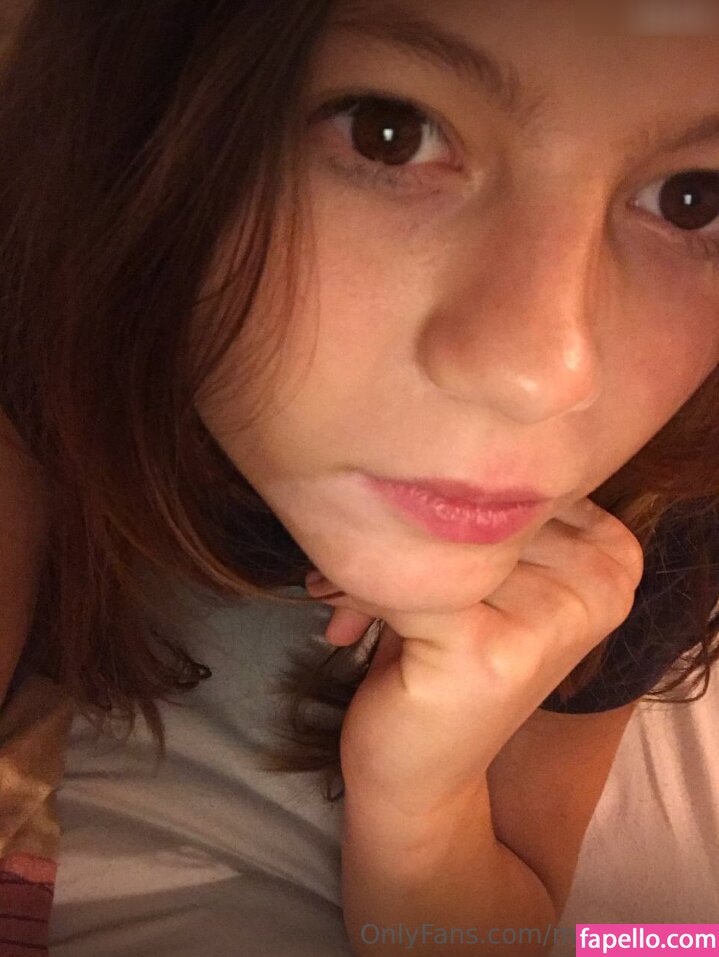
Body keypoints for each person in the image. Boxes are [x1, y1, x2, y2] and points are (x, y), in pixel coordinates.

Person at [1, 1, 719, 955]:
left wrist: (423, 789)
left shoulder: (647, 511)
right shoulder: (41, 306)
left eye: (691, 199)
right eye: (390, 133)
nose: (546, 371)